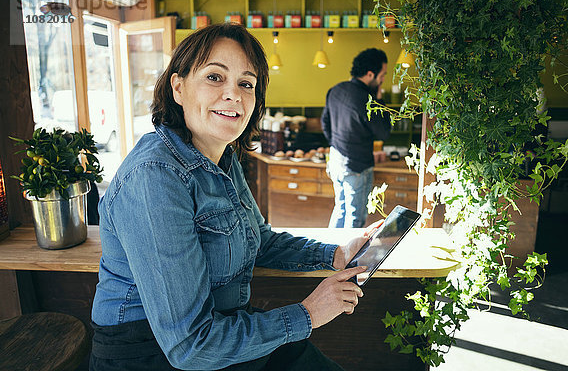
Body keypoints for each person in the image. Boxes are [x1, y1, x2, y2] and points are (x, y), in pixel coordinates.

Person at [89, 23, 377, 371]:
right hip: (149, 353)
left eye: (246, 83)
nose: (234, 95)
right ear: (178, 87)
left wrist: (336, 253)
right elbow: (190, 346)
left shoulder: (222, 157)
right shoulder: (155, 176)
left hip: (222, 333)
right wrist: (309, 313)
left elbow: (260, 240)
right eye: (214, 77)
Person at [321, 48, 391, 228]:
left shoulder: (335, 90)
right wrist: (380, 99)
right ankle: (350, 256)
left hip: (336, 162)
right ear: (370, 74)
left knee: (340, 210)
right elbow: (383, 132)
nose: (382, 80)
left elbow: (325, 124)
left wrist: (338, 146)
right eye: (382, 75)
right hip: (357, 167)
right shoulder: (368, 99)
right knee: (355, 218)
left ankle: (328, 253)